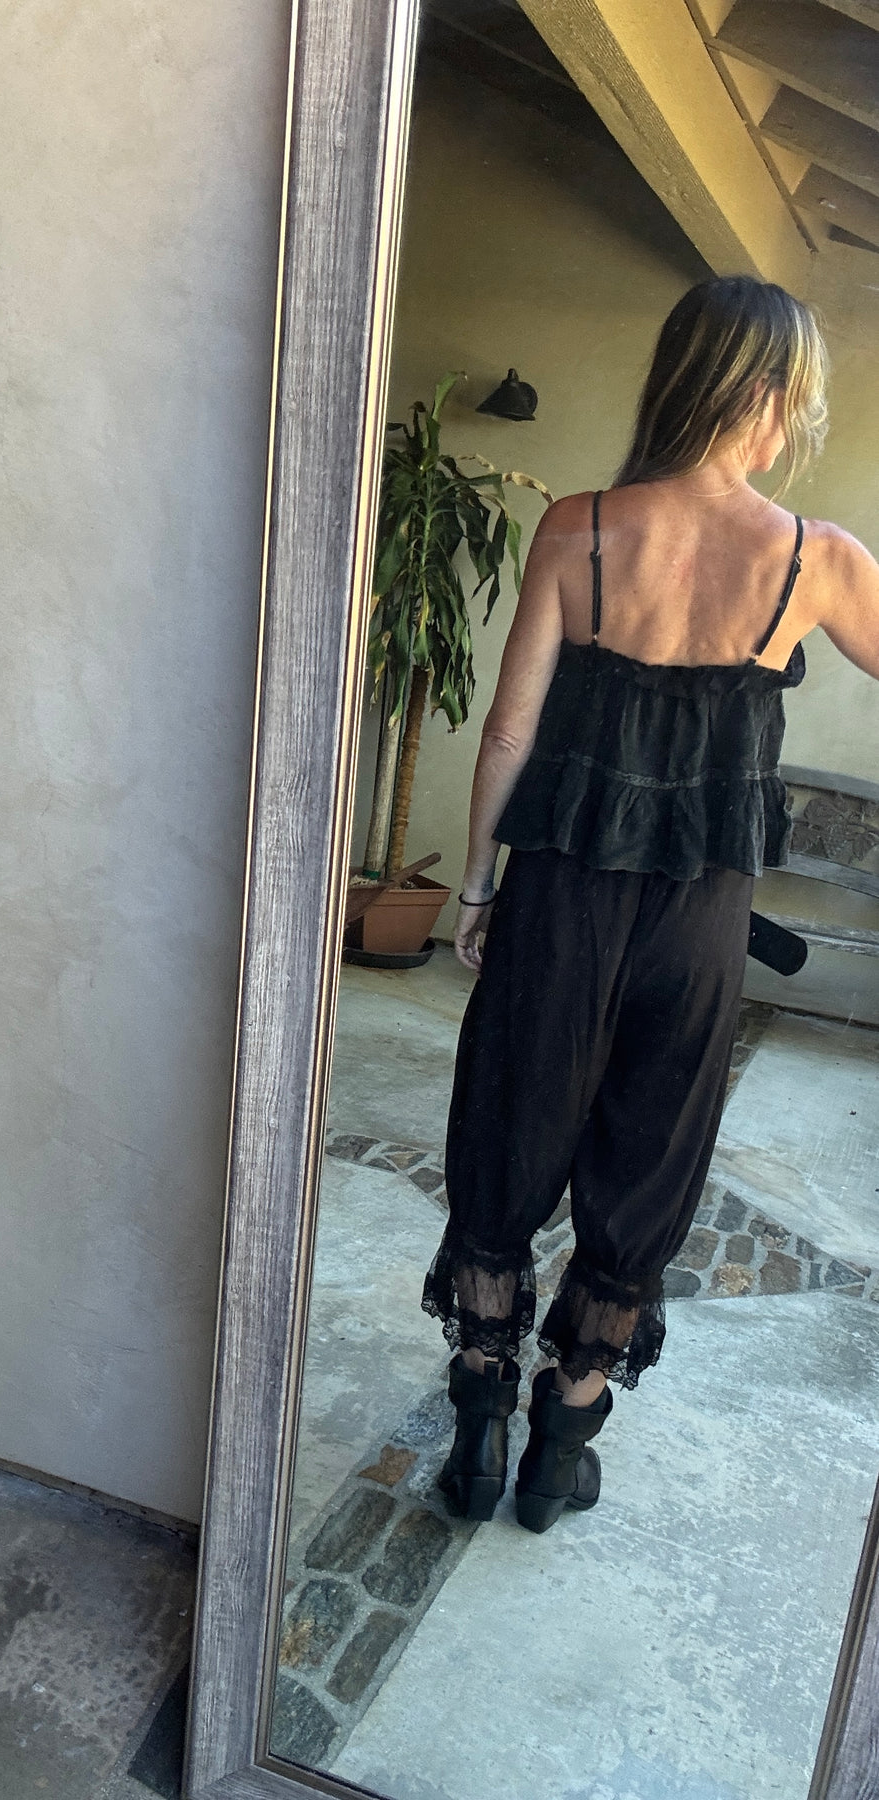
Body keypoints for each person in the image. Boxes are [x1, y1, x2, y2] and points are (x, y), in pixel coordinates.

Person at [421, 274, 879, 1533]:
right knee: (646, 1153)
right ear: (765, 396)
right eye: (795, 400)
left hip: (557, 894)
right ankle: (559, 1450)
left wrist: (475, 888)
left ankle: (477, 1433)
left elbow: (506, 729)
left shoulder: (576, 527)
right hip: (699, 919)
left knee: (510, 1131)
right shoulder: (819, 558)